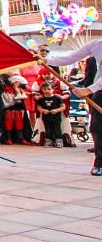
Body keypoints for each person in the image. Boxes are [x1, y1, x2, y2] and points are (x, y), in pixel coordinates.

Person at [44, 41, 102, 174]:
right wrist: (46, 60)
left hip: (96, 87)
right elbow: (70, 58)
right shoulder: (97, 44)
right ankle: (100, 163)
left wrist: (88, 89)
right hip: (100, 91)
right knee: (97, 127)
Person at [1, 75, 32, 144]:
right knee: (8, 121)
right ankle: (8, 138)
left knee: (20, 121)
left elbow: (26, 86)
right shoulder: (4, 81)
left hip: (19, 104)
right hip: (8, 102)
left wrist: (20, 85)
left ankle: (20, 138)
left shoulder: (20, 85)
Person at [36, 81, 65, 148]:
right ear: (42, 90)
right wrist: (43, 110)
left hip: (56, 117)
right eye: (45, 89)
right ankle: (49, 141)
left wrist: (57, 110)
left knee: (57, 129)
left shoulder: (58, 98)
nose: (47, 91)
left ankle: (59, 141)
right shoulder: (41, 99)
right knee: (48, 129)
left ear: (53, 89)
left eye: (49, 89)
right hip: (46, 117)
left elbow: (63, 107)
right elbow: (38, 107)